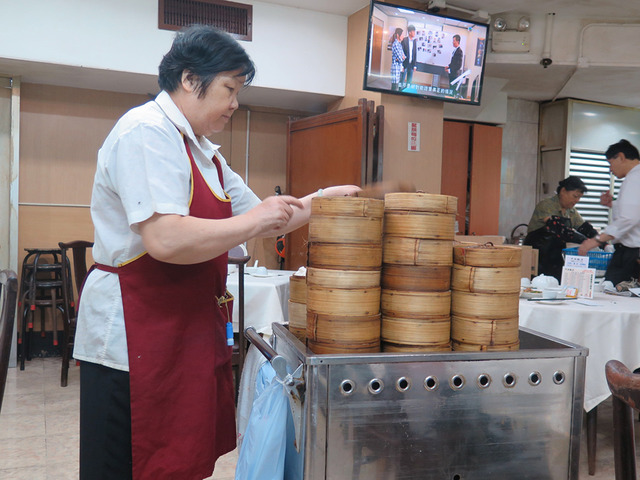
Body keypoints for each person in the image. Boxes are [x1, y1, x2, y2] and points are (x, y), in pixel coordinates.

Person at [73, 25, 360, 480]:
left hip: (182, 326)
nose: (234, 104)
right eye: (229, 88)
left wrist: (325, 199)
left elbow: (271, 215)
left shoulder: (204, 151)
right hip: (134, 332)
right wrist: (256, 221)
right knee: (129, 461)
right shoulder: (146, 131)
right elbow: (165, 239)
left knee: (178, 457)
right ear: (190, 79)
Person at [578, 139, 640, 285]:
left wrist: (596, 240)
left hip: (633, 251)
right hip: (628, 250)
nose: (610, 170)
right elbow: (634, 210)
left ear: (621, 156)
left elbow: (629, 218)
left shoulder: (635, 178)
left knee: (617, 295)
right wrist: (612, 204)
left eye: (610, 163)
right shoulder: (634, 177)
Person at [524, 176, 598, 281]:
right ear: (563, 191)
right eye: (575, 196)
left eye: (579, 198)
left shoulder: (571, 211)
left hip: (555, 257)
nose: (577, 200)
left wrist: (601, 242)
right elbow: (558, 228)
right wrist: (585, 241)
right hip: (537, 256)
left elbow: (584, 228)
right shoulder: (546, 205)